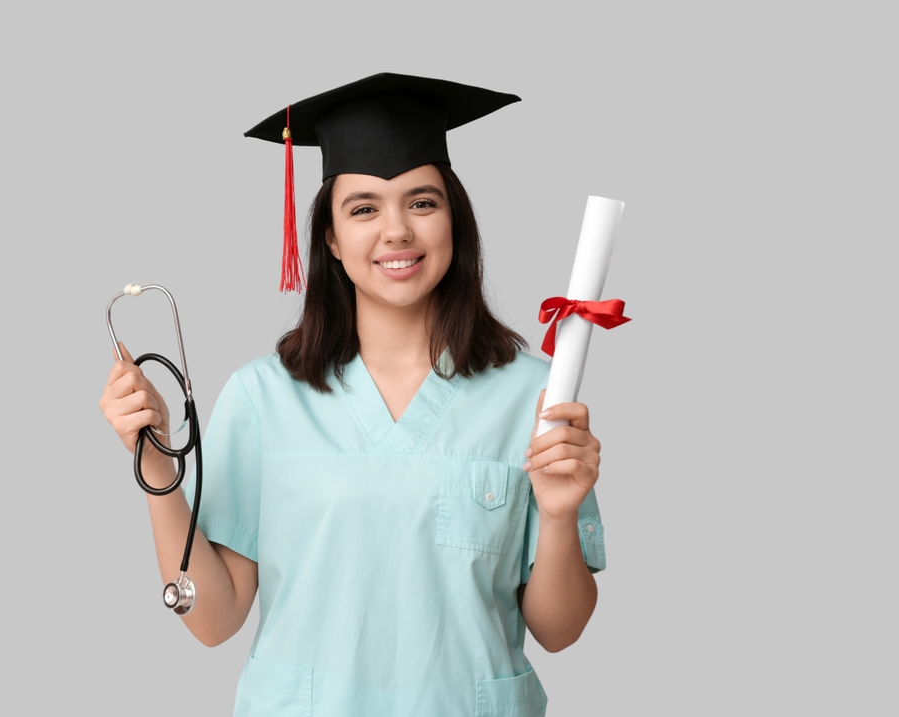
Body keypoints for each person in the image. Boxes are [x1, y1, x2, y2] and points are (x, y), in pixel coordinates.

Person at [100, 73, 606, 717]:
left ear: (454, 220)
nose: (396, 231)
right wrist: (153, 460)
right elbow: (214, 619)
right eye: (364, 209)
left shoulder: (534, 396)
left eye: (422, 202)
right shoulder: (263, 398)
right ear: (332, 239)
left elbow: (560, 631)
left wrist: (559, 516)